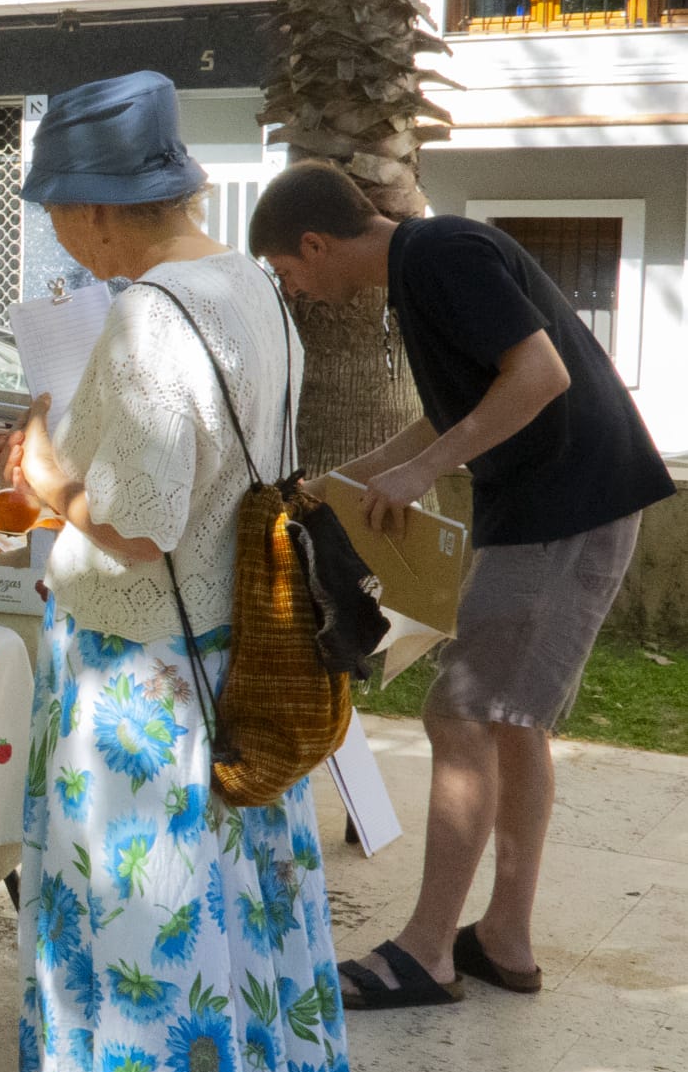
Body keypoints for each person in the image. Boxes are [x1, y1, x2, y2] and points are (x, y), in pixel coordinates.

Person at [0, 72, 356, 1072]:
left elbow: (136, 521)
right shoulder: (252, 284)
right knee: (234, 934)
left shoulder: (148, 313)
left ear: (98, 214)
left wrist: (40, 471)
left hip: (147, 677)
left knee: (145, 939)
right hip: (234, 659)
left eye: (61, 217)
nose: (63, 243)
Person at [248, 161, 675, 1009]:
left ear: (314, 241)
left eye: (289, 273)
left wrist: (423, 474)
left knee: (460, 711)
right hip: (567, 503)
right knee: (513, 723)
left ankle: (427, 952)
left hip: (565, 506)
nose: (296, 292)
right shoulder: (427, 265)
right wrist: (345, 480)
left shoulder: (439, 252)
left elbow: (539, 376)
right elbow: (457, 405)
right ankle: (503, 941)